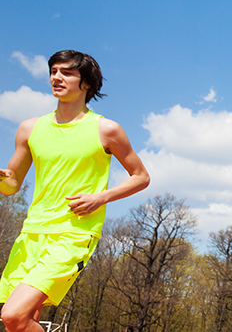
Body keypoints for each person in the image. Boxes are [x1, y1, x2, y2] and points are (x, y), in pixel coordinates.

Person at [0, 50, 150, 332]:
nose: (57, 77)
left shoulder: (106, 129)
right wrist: (1, 180)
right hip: (32, 232)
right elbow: (11, 187)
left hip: (74, 234)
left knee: (13, 316)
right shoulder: (29, 129)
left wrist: (100, 197)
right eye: (54, 71)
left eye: (67, 73)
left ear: (86, 84)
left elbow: (141, 177)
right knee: (21, 324)